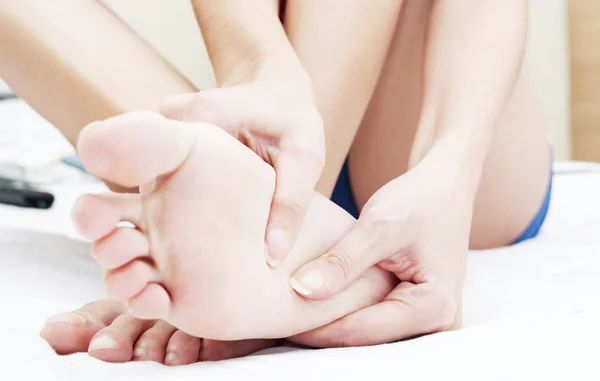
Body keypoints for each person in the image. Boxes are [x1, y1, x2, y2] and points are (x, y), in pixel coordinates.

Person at [0, 0, 551, 365]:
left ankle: (269, 235)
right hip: (275, 139)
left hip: (435, 149)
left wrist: (450, 164)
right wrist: (260, 71)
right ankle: (269, 228)